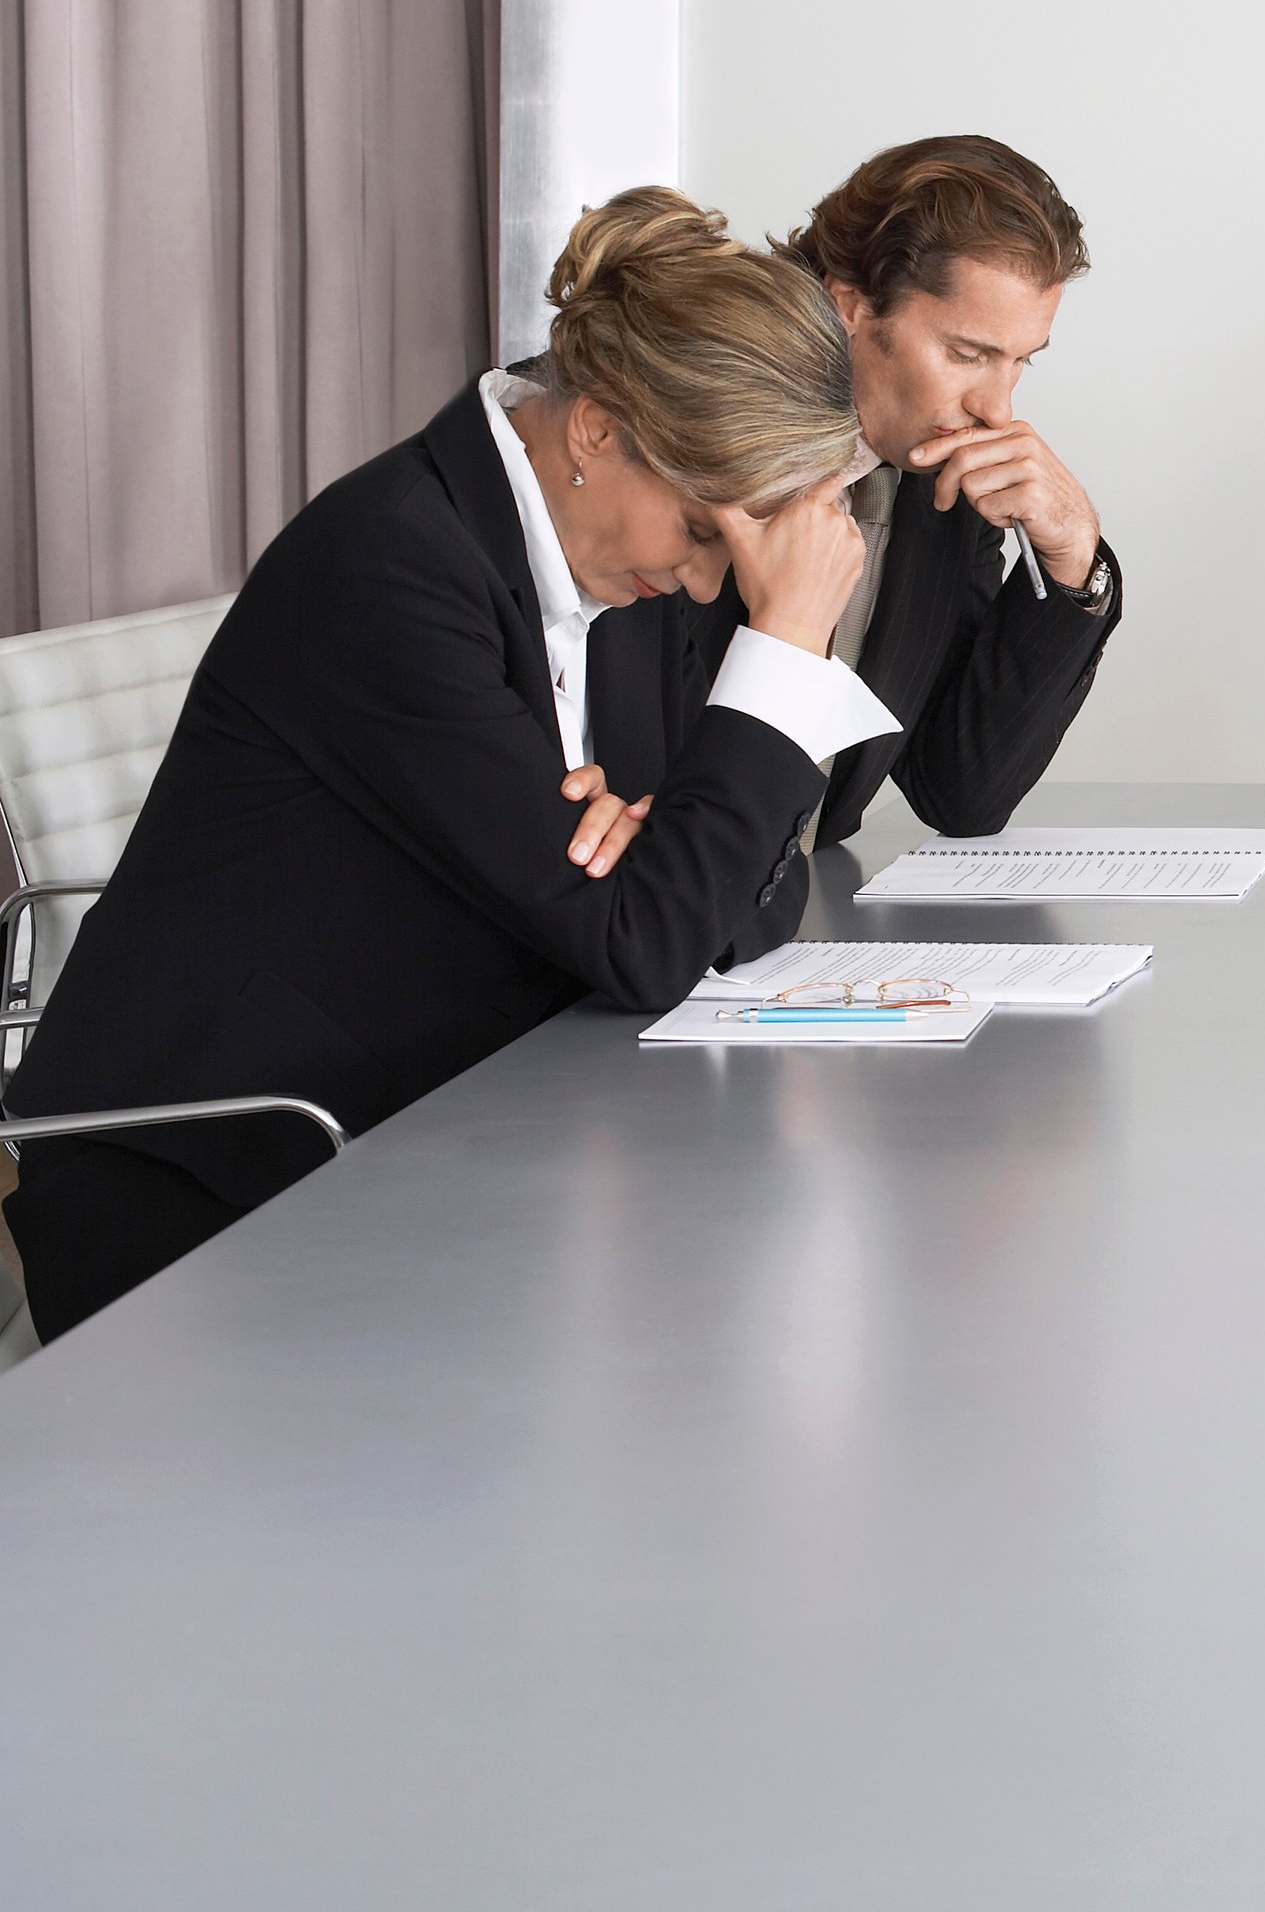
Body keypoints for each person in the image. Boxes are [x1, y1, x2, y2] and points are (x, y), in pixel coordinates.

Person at [0, 191, 896, 1338]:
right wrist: (781, 653)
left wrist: (657, 868)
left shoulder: (613, 553)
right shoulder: (392, 570)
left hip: (448, 1123)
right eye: (708, 535)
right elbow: (652, 939)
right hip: (224, 1194)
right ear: (599, 430)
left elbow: (725, 903)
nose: (712, 587)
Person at [746, 135, 1121, 847]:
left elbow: (959, 790)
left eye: (1019, 362)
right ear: (850, 304)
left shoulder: (939, 484)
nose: (997, 409)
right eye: (966, 354)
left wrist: (1073, 556)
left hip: (806, 937)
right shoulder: (700, 444)